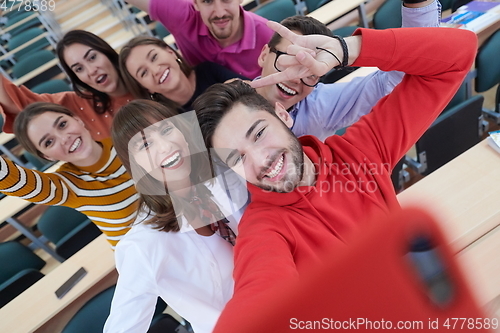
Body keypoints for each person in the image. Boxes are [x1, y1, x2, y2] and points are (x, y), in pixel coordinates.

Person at [193, 23, 477, 331]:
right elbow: (256, 298)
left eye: (259, 133)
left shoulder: (360, 152)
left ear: (283, 115)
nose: (261, 160)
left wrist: (346, 50)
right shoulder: (264, 231)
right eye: (237, 158)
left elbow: (457, 54)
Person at [104, 100, 247, 333]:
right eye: (145, 144)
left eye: (167, 129)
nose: (165, 146)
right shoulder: (143, 245)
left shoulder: (219, 179)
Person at [255, 0, 440, 140]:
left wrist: (417, 3)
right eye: (288, 60)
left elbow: (394, 80)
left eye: (310, 73)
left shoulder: (319, 106)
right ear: (264, 55)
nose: (295, 78)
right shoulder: (228, 103)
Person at [1, 102, 139, 248]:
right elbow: (17, 182)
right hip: (142, 258)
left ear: (77, 119)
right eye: (49, 142)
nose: (64, 138)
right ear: (47, 156)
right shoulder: (67, 185)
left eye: (62, 125)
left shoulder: (125, 140)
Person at [0, 30, 134, 140]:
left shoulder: (144, 74)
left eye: (92, 57)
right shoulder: (77, 104)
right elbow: (17, 104)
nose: (91, 71)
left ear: (106, 53)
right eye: (79, 69)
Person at [126, 0, 273, 79]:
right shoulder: (183, 15)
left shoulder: (270, 36)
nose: (219, 12)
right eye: (207, 1)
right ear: (195, 3)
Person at [118, 36, 247, 111]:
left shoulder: (208, 70)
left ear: (170, 52)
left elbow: (255, 91)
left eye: (154, 57)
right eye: (144, 72)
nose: (155, 70)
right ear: (145, 88)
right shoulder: (164, 119)